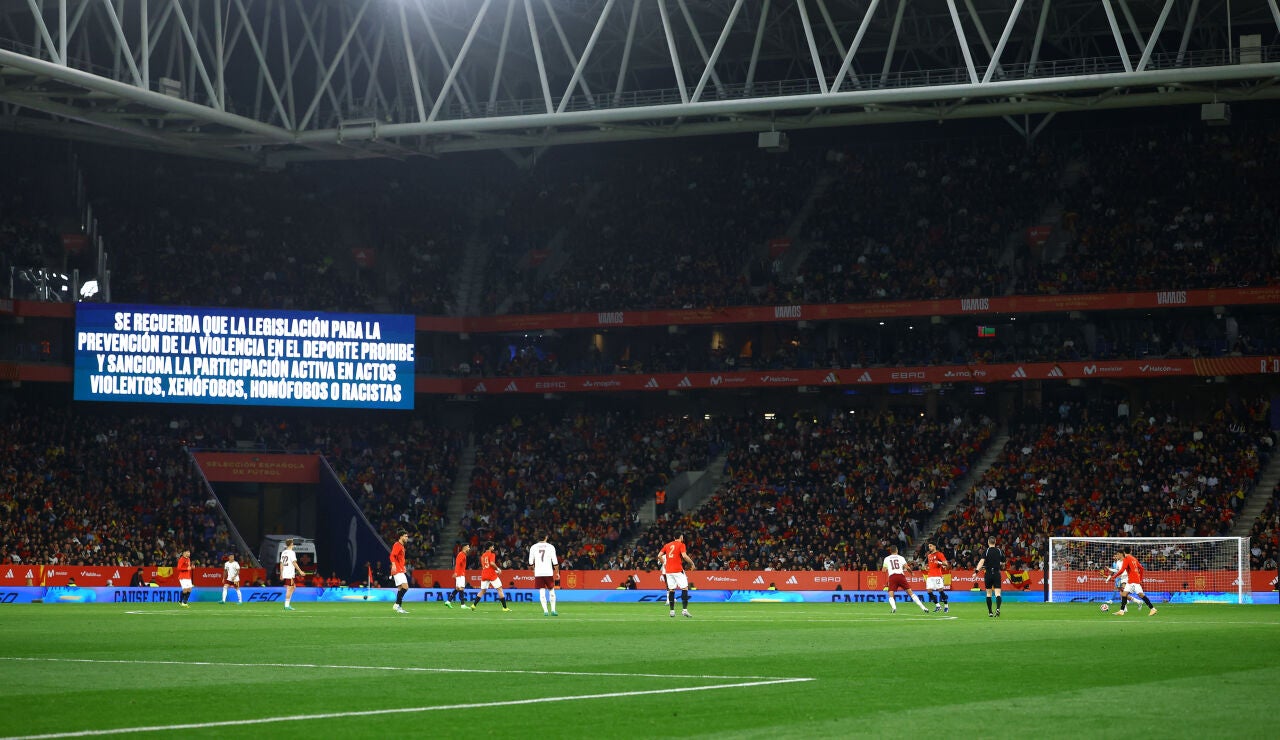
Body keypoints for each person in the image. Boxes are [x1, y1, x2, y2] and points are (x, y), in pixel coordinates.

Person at [1110, 546, 1158, 616]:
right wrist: (1140, 578)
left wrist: (1114, 576)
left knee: (1140, 595)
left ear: (1123, 552)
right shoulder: (1134, 558)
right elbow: (1141, 568)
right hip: (1132, 580)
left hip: (1133, 581)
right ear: (1130, 551)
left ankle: (1153, 609)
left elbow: (1122, 570)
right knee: (1124, 594)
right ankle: (1121, 611)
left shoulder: (1126, 558)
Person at [882, 545, 928, 614]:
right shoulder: (901, 558)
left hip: (892, 577)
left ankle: (894, 608)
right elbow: (907, 567)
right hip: (901, 576)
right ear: (897, 550)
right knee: (911, 594)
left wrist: (888, 568)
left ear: (890, 551)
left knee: (891, 594)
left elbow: (883, 570)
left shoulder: (886, 558)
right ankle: (923, 607)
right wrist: (911, 573)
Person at [659, 533, 695, 618]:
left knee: (671, 590)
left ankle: (672, 611)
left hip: (668, 571)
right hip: (678, 570)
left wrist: (664, 563)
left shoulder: (667, 545)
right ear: (681, 537)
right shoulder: (681, 544)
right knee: (684, 588)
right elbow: (684, 556)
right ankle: (684, 611)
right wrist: (692, 563)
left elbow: (659, 555)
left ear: (674, 537)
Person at [470, 542, 511, 612]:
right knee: (499, 589)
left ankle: (474, 605)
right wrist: (497, 569)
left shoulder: (482, 555)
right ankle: (504, 607)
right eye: (493, 547)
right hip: (491, 575)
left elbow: (486, 566)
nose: (493, 548)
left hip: (484, 574)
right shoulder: (492, 554)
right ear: (490, 547)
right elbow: (491, 563)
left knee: (482, 591)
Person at [528, 534, 559, 616]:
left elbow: (530, 562)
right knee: (551, 591)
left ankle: (545, 611)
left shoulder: (533, 547)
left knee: (542, 592)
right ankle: (553, 610)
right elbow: (555, 562)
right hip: (548, 572)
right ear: (546, 537)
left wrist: (534, 570)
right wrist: (557, 573)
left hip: (538, 573)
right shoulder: (551, 547)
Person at [973, 536, 1004, 617]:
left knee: (989, 594)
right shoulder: (999, 551)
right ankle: (997, 608)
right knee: (998, 593)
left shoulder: (986, 551)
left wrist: (976, 572)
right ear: (995, 542)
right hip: (997, 573)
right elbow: (1003, 562)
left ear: (988, 542)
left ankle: (990, 612)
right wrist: (998, 564)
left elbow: (981, 562)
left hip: (988, 573)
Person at [279, 538, 308, 611]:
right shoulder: (291, 553)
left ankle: (287, 604)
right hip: (289, 573)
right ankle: (286, 605)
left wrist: (281, 574)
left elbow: (281, 564)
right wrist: (300, 571)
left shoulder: (284, 552)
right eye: (293, 542)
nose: (293, 544)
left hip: (286, 572)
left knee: (293, 587)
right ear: (291, 544)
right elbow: (294, 563)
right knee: (290, 588)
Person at [925, 542, 950, 613]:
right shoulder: (929, 555)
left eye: (930, 546)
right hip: (930, 576)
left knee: (940, 591)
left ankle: (946, 606)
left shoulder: (939, 554)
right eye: (929, 546)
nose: (929, 547)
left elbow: (946, 564)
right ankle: (938, 605)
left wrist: (939, 562)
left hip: (937, 576)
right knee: (929, 591)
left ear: (934, 546)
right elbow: (931, 565)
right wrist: (927, 568)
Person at [390, 531, 410, 614]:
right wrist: (394, 565)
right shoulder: (397, 545)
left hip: (400, 569)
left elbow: (399, 558)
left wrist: (403, 565)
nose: (407, 538)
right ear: (401, 537)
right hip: (398, 570)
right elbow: (392, 555)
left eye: (407, 536)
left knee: (400, 589)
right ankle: (397, 604)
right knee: (405, 587)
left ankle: (399, 608)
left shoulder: (401, 546)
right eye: (405, 536)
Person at [446, 544, 471, 609]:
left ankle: (448, 601)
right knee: (461, 588)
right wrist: (456, 572)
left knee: (457, 588)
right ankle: (462, 605)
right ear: (464, 547)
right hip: (460, 574)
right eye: (468, 547)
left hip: (460, 574)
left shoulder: (463, 554)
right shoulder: (461, 554)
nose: (469, 548)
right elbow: (457, 564)